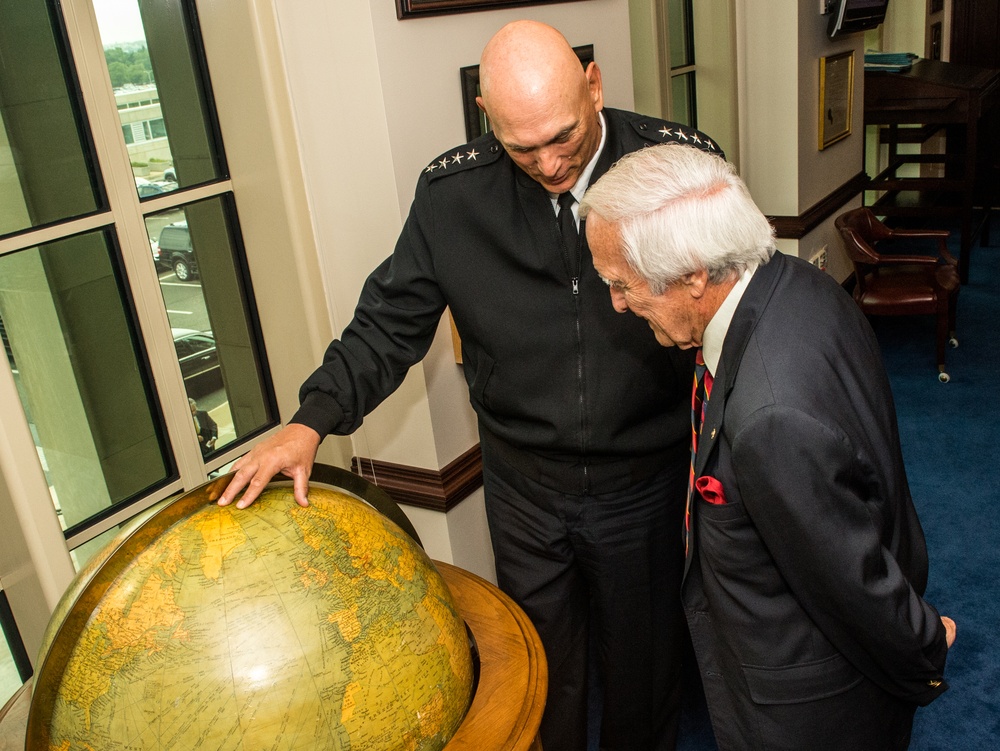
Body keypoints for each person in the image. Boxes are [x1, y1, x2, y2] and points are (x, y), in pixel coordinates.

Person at [218, 20, 722, 751]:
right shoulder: (452, 195)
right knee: (538, 667)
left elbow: (734, 303)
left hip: (642, 481)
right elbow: (389, 322)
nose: (551, 164)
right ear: (487, 118)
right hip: (524, 488)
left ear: (595, 86)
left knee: (643, 673)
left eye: (566, 137)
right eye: (523, 147)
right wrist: (311, 419)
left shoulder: (675, 169)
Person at [580, 142, 957, 750]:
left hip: (805, 711)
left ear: (694, 275)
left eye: (622, 284)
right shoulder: (799, 284)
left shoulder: (771, 415)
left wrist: (924, 647)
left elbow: (847, 577)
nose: (617, 304)